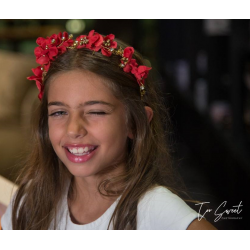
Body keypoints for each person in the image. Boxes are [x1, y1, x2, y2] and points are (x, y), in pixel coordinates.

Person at [1, 30, 216, 230]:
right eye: (59, 112)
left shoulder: (158, 211)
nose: (74, 129)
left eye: (96, 112)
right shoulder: (31, 200)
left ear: (134, 122)